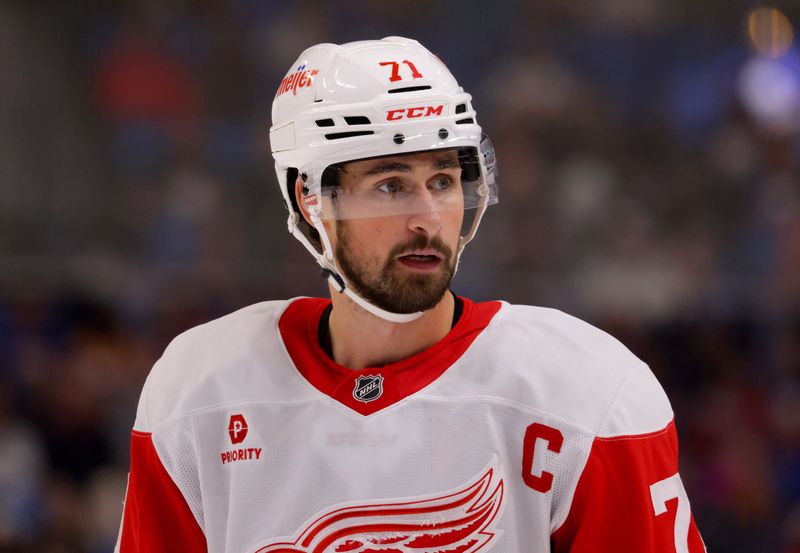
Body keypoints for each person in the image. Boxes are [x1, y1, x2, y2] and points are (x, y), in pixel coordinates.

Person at [115, 37, 706, 552]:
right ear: (310, 200)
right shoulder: (198, 394)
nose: (428, 217)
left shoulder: (588, 394)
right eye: (391, 184)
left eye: (443, 180)